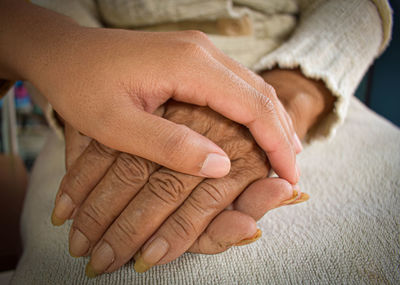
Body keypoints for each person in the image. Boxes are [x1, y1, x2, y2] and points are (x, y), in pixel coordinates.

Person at [1, 0, 395, 283]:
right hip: (121, 91)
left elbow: (356, 8)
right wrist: (72, 59)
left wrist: (287, 97)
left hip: (306, 84)